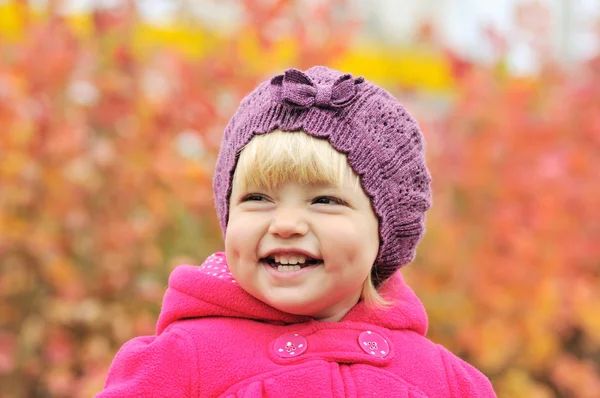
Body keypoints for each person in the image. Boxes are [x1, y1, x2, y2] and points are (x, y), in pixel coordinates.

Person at [98, 66, 496, 397]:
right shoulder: (180, 362)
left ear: (384, 231)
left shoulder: (446, 381)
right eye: (257, 198)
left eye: (324, 201)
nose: (286, 224)